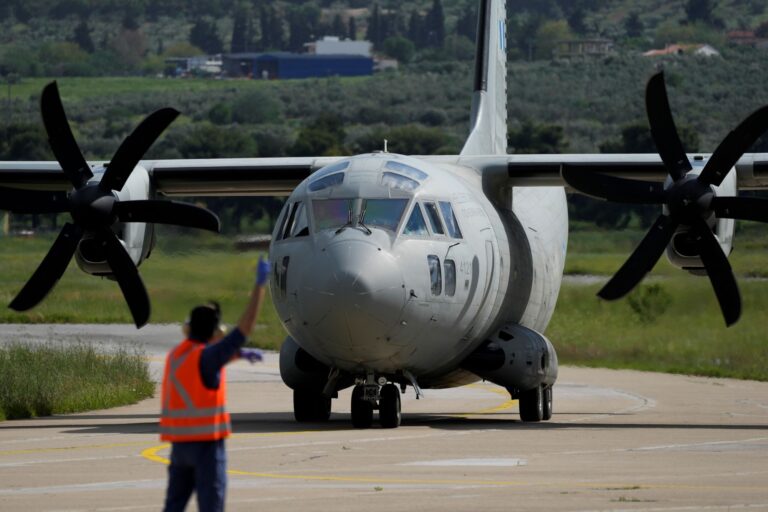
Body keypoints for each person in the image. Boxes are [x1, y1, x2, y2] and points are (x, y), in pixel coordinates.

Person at [160, 256, 270, 512]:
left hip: (179, 445)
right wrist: (259, 288)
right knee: (212, 506)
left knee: (173, 506)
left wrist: (239, 355)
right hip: (206, 446)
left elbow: (202, 365)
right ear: (213, 333)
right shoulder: (208, 356)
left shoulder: (177, 355)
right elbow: (244, 329)